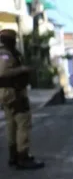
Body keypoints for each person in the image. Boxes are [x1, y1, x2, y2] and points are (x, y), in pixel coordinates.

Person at [0, 29, 45, 170]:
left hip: (8, 94)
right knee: (23, 122)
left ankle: (14, 156)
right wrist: (23, 69)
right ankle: (22, 156)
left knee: (12, 124)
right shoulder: (5, 54)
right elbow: (3, 72)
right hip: (13, 93)